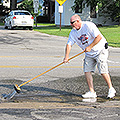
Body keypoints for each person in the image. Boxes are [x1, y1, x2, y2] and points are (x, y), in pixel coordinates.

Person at [63, 14, 116, 98]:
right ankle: (92, 92)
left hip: (100, 50)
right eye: (70, 23)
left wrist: (90, 47)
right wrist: (66, 57)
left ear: (78, 21)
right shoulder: (73, 32)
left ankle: (111, 89)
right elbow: (69, 44)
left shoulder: (88, 25)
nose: (71, 25)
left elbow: (98, 37)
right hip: (89, 54)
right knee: (87, 71)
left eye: (72, 22)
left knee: (102, 70)